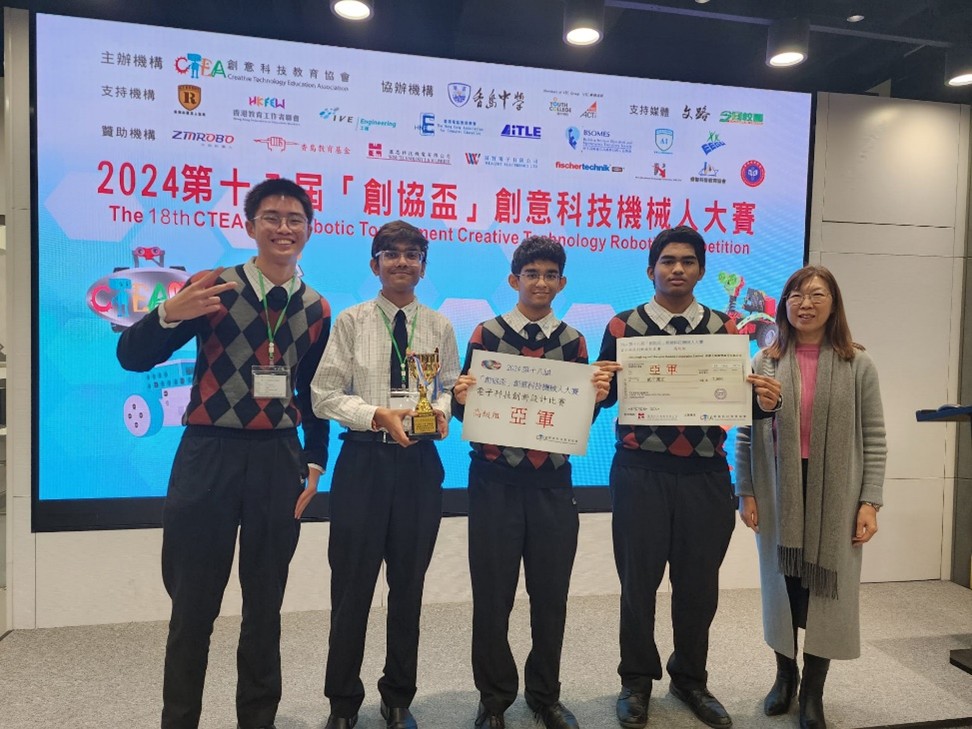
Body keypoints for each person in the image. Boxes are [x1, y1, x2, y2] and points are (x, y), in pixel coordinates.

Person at [117, 177, 331, 729]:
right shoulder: (213, 288)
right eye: (271, 217)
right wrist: (168, 314)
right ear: (249, 225)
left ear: (309, 230)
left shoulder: (316, 308)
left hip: (278, 459)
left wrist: (314, 462)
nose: (283, 227)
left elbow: (311, 393)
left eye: (295, 219)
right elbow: (132, 358)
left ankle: (257, 720)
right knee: (193, 607)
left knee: (265, 606)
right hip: (208, 452)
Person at [596, 225, 780, 729]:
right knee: (638, 583)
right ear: (650, 269)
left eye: (688, 261)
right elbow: (604, 399)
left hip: (704, 474)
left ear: (700, 270)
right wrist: (596, 387)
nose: (677, 269)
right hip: (639, 471)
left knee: (699, 586)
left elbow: (736, 402)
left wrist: (766, 403)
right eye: (668, 261)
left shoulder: (726, 328)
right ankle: (636, 680)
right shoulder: (622, 326)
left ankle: (690, 678)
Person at [452, 236, 616, 729]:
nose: (540, 282)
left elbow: (576, 420)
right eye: (531, 274)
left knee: (550, 596)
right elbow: (464, 411)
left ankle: (545, 695)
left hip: (552, 485)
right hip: (494, 483)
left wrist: (597, 399)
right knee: (492, 596)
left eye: (549, 275)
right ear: (513, 280)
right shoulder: (486, 334)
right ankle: (494, 699)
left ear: (562, 283)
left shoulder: (574, 341)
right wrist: (461, 397)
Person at [311, 220, 461, 729]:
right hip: (363, 463)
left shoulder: (439, 325)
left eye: (412, 254)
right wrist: (376, 415)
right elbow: (323, 395)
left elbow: (448, 387)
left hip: (419, 465)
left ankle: (398, 696)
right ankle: (342, 702)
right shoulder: (351, 321)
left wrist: (441, 411)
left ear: (423, 265)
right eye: (391, 253)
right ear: (374, 264)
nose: (402, 261)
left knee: (408, 586)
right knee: (350, 588)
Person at [735, 265, 887, 729]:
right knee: (782, 587)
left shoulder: (857, 364)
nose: (805, 303)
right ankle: (785, 677)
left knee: (823, 592)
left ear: (834, 304)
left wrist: (870, 501)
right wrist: (745, 490)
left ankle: (813, 693)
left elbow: (874, 437)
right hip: (777, 487)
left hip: (837, 494)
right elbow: (746, 432)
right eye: (796, 295)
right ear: (783, 305)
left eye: (817, 294)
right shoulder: (764, 362)